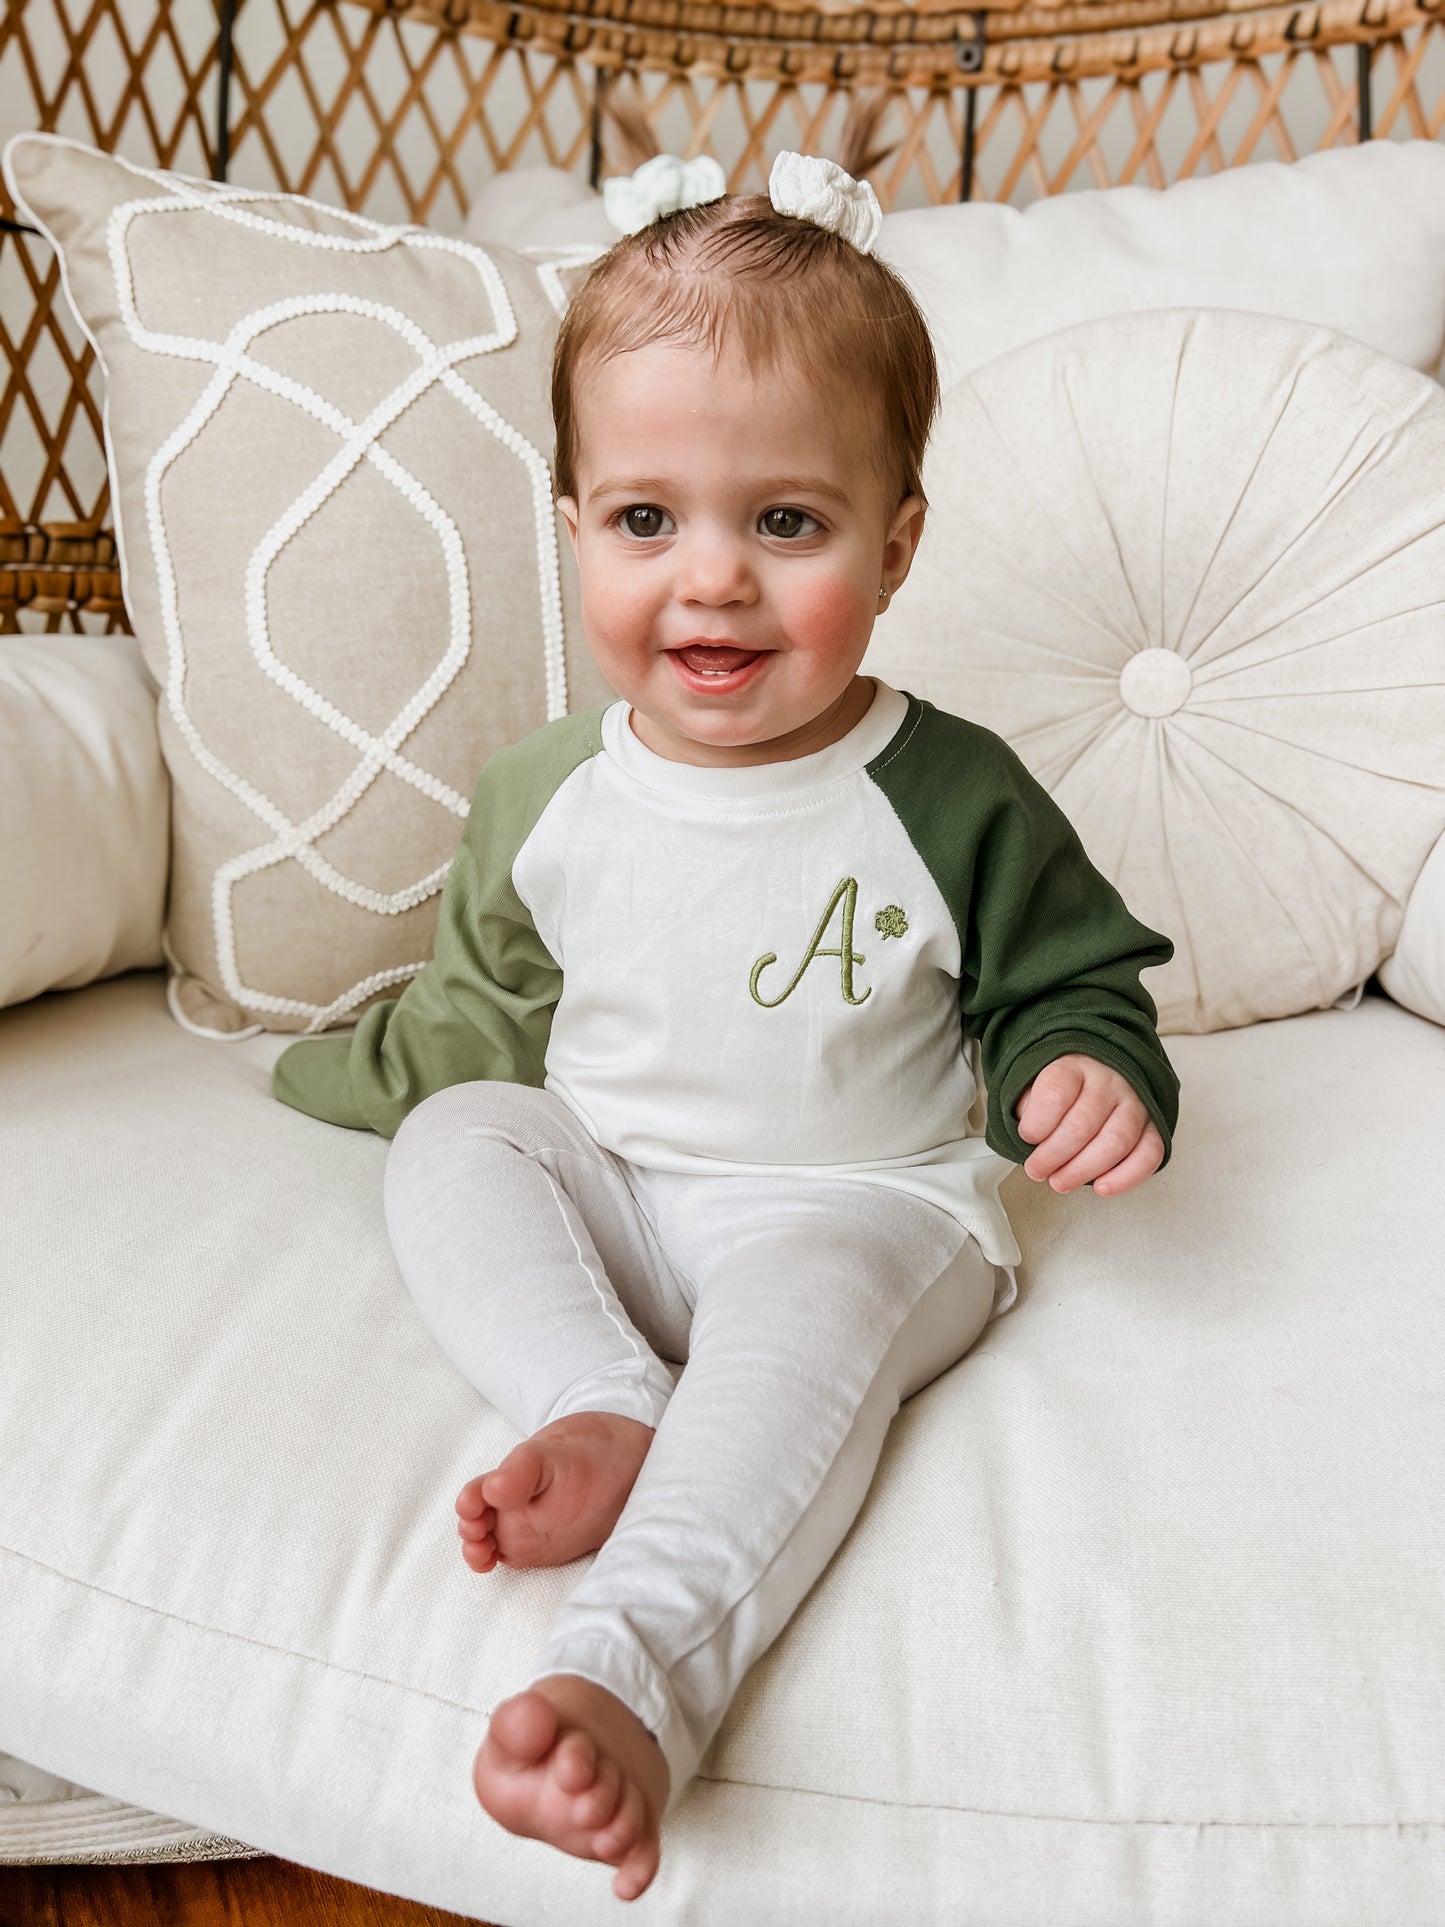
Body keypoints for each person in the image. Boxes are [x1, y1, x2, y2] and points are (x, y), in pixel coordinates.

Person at [270, 149, 1180, 1903]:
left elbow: (1064, 978)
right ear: (571, 529)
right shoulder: (545, 790)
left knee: (799, 1336)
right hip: (620, 1177)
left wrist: (1089, 1070)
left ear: (895, 544)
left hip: (856, 1202)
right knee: (464, 1137)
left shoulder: (948, 789)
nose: (711, 582)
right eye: (644, 520)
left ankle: (624, 1680)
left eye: (785, 522)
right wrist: (346, 1067)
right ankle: (596, 1395)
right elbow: (479, 1015)